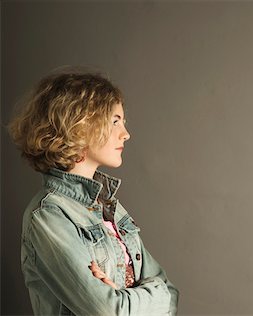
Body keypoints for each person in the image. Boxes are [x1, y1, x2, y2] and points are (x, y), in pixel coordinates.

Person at [8, 70, 179, 315]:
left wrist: (122, 298)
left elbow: (171, 295)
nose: (126, 133)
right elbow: (109, 310)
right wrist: (131, 301)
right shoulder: (47, 217)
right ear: (79, 126)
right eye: (115, 121)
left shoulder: (108, 207)